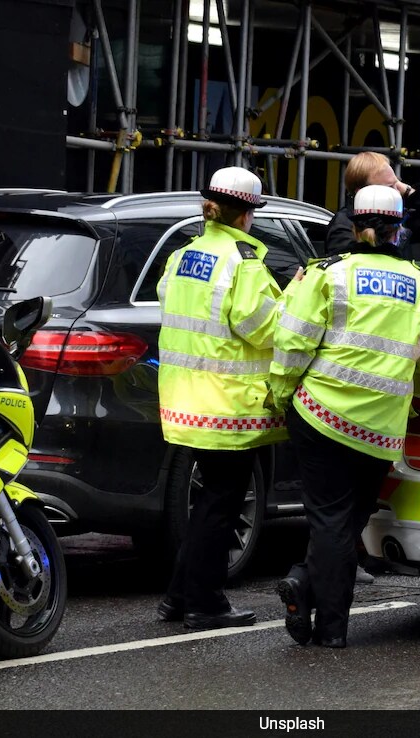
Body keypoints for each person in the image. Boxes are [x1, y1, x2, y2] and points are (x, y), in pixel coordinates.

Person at [269, 184, 420, 648]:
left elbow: (292, 342)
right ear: (399, 230)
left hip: (321, 415)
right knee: (348, 522)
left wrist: (281, 396)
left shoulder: (327, 274)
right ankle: (310, 596)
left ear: (353, 227)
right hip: (380, 430)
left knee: (329, 521)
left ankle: (328, 624)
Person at [155, 166, 286, 631]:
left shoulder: (182, 255)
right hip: (228, 404)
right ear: (246, 214)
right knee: (221, 505)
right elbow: (263, 328)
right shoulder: (243, 263)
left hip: (185, 400)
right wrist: (291, 303)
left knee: (212, 500)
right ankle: (205, 603)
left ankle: (179, 597)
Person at [324, 151, 420, 259]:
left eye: (397, 184)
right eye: (389, 187)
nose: (397, 192)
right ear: (362, 192)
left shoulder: (396, 217)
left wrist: (408, 191)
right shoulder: (343, 225)